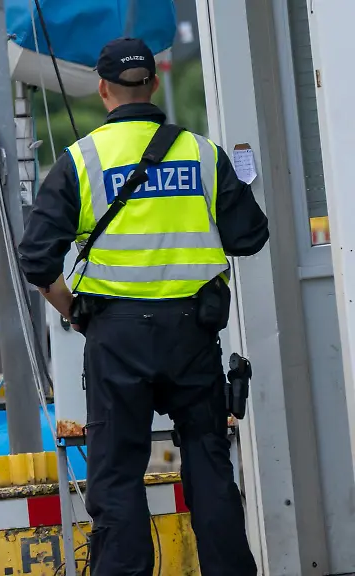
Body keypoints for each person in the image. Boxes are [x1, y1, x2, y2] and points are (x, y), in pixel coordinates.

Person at [19, 38, 268, 576]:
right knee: (209, 470)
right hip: (192, 335)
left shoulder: (80, 161)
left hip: (115, 337)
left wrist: (73, 311)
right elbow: (250, 236)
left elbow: (37, 259)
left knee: (116, 478)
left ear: (103, 89)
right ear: (154, 82)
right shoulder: (202, 153)